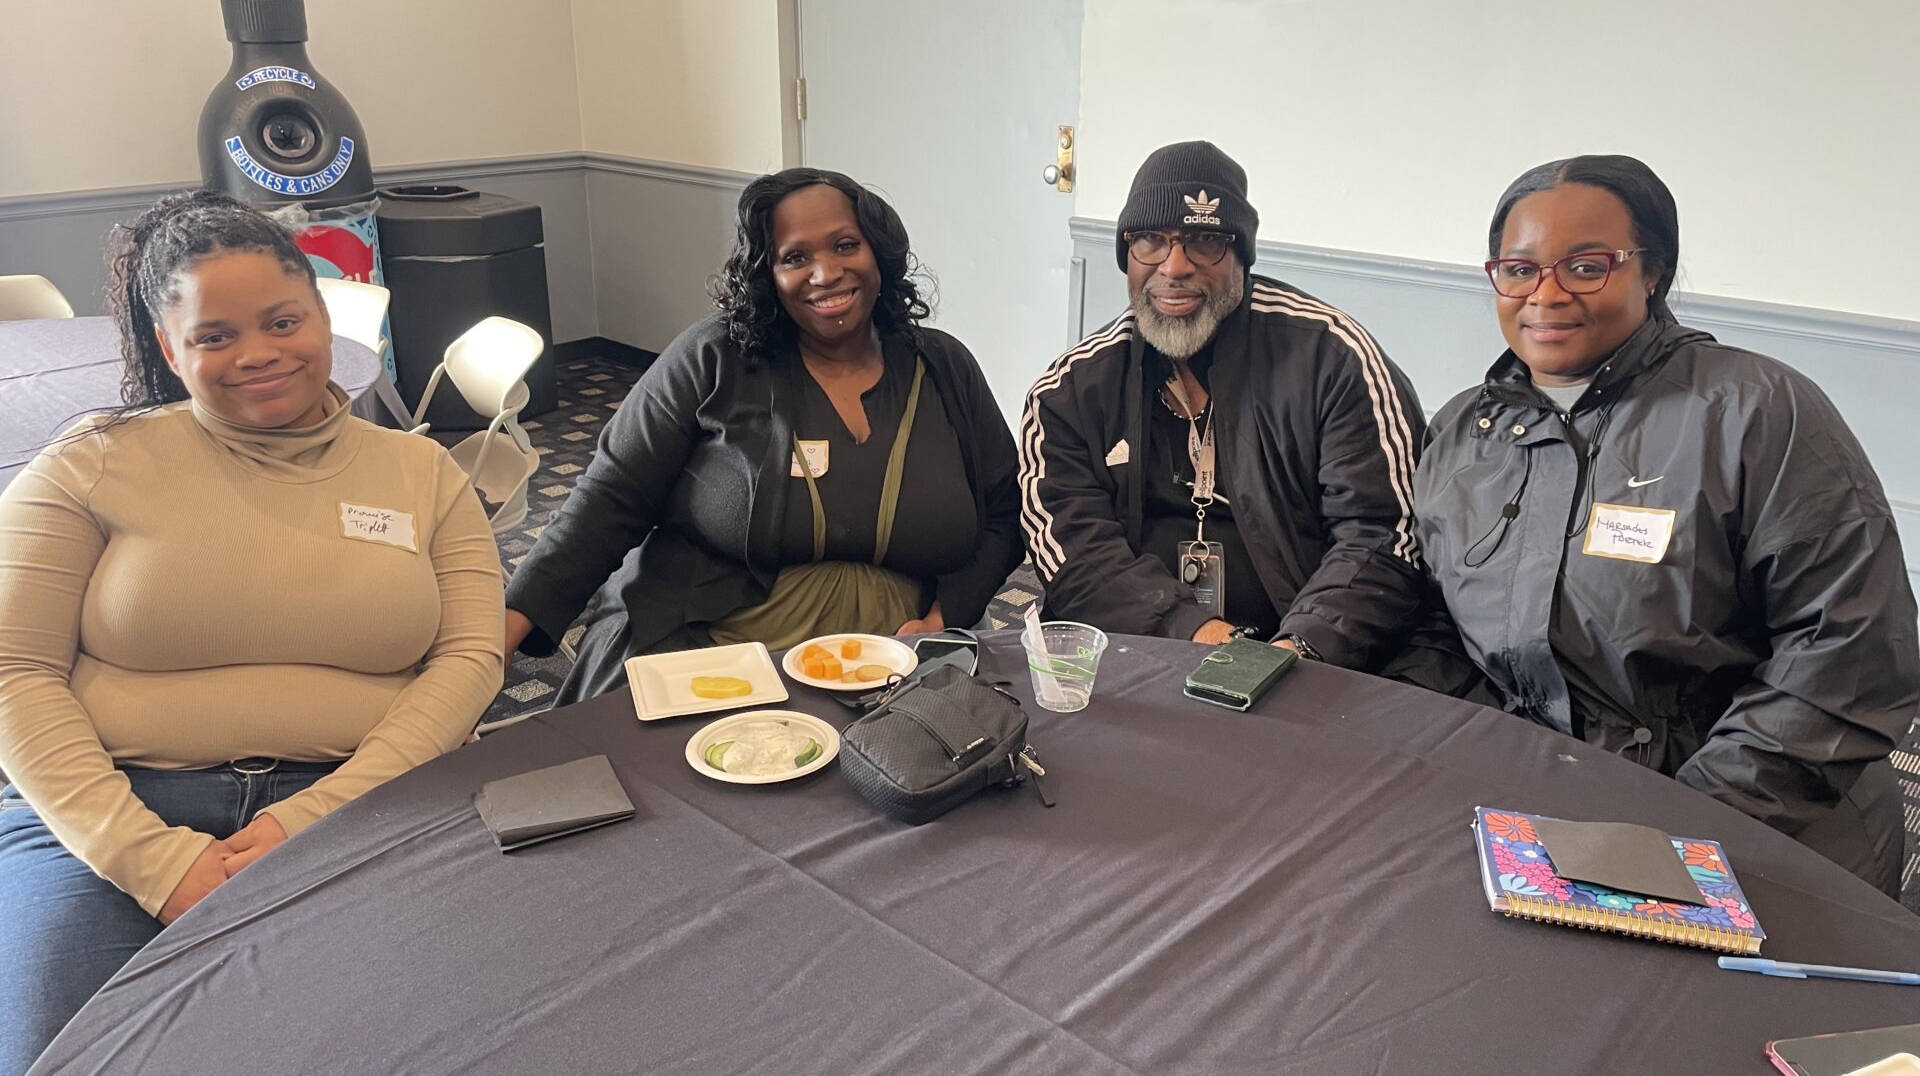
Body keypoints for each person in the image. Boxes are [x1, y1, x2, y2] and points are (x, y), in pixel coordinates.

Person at [0, 190, 504, 1072]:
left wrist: (314, 815)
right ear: (170, 349)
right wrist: (152, 861)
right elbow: (13, 668)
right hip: (110, 809)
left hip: (370, 796)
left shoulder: (421, 470)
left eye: (282, 320)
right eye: (215, 336)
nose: (258, 355)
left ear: (323, 314)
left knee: (460, 1033)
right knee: (67, 1054)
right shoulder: (90, 463)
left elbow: (467, 661)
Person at [1414, 155, 1917, 894]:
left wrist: (1678, 822)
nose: (1545, 295)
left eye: (1586, 266)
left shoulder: (1756, 410)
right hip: (1542, 812)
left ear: (1653, 271)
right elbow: (1435, 628)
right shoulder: (1464, 431)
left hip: (1757, 818)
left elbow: (1852, 650)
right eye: (1519, 269)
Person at [503, 168, 1022, 701]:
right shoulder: (713, 358)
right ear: (766, 273)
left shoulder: (943, 366)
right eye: (795, 257)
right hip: (716, 646)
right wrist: (496, 642)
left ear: (879, 254)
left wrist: (946, 614)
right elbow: (608, 500)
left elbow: (1006, 512)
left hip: (894, 656)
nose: (826, 273)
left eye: (846, 245)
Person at [1019, 141, 1428, 669]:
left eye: (1204, 240)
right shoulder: (1071, 390)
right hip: (1139, 650)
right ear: (1126, 254)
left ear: (1241, 254)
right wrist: (1200, 635)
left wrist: (1293, 652)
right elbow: (1074, 552)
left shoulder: (1332, 359)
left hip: (1313, 658)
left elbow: (1383, 534)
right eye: (1150, 240)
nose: (1175, 265)